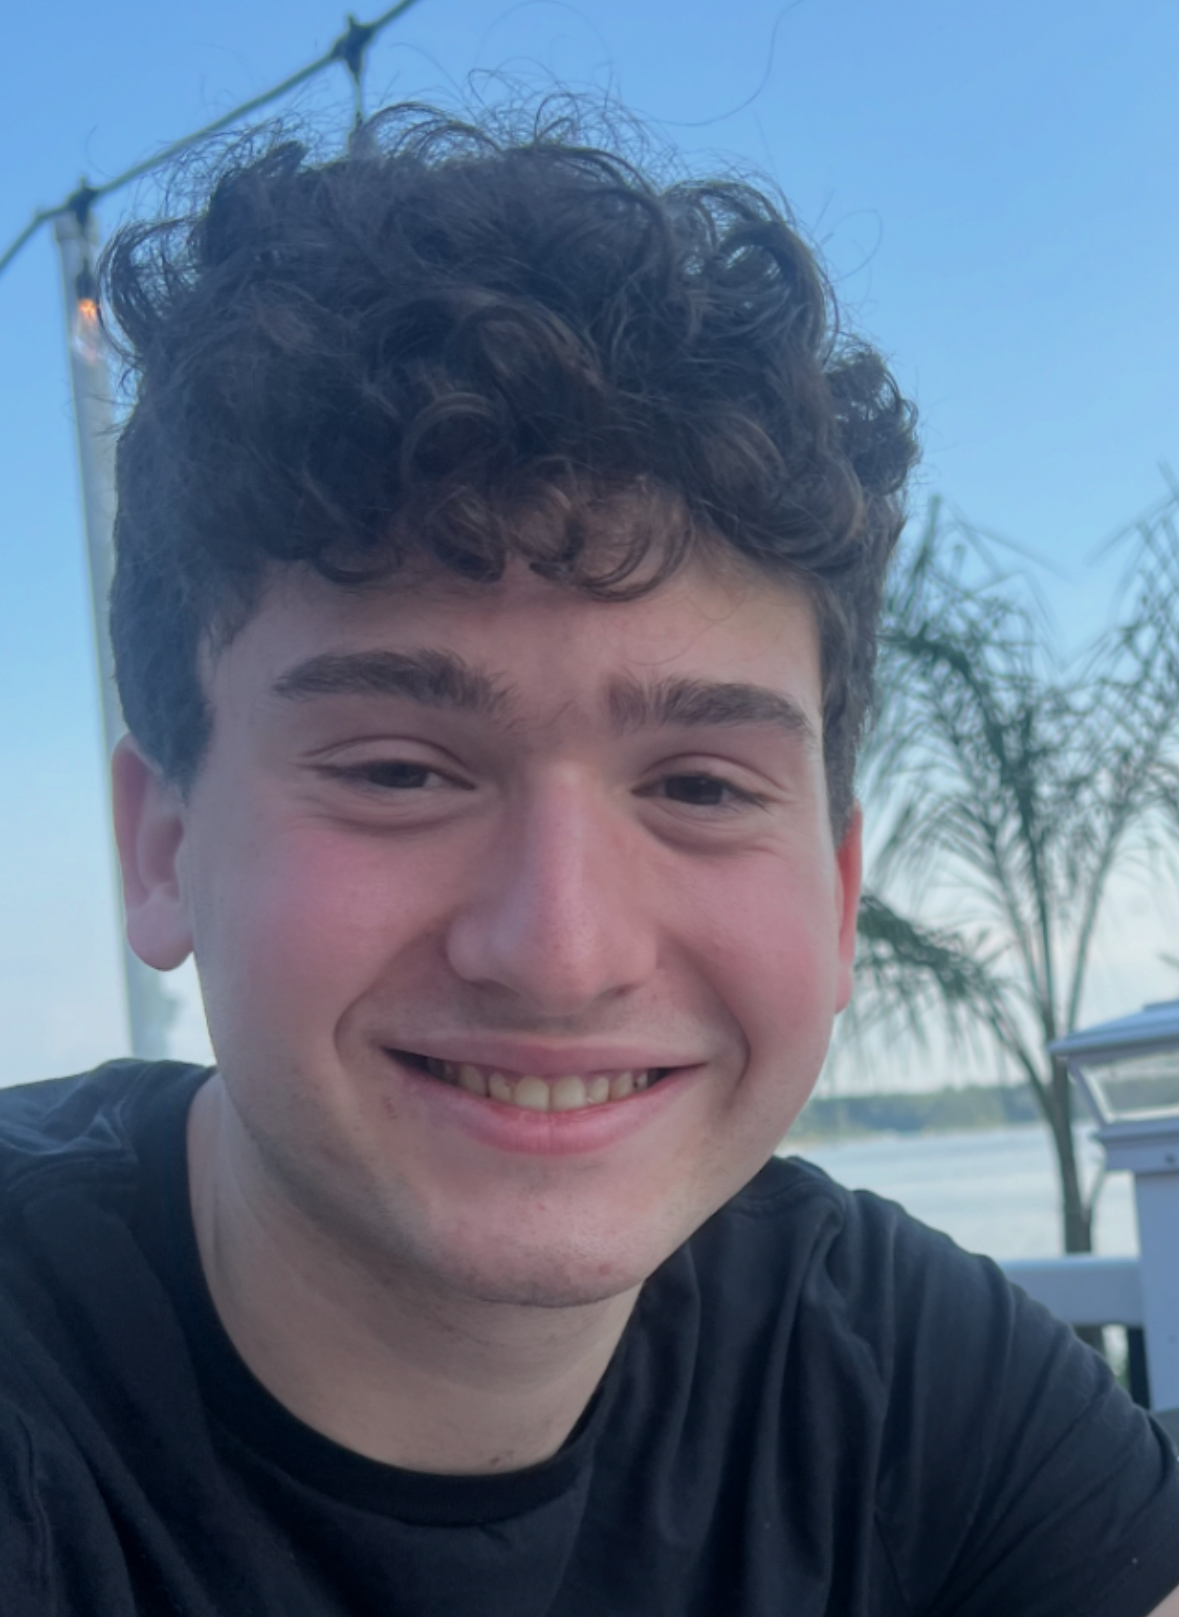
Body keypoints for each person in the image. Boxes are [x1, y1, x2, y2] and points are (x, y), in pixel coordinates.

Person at [2, 102, 1177, 1617]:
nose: (561, 951)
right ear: (161, 849)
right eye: (399, 771)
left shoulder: (904, 1384)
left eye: (697, 784)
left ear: (835, 899)